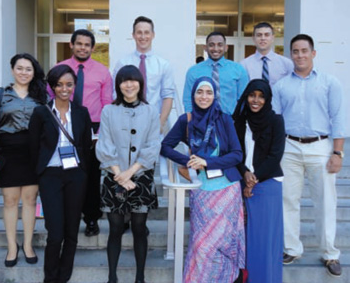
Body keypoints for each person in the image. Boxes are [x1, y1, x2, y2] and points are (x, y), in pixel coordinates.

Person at [272, 34, 346, 277]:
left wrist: (338, 152)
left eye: (304, 51)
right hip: (290, 148)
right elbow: (275, 120)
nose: (300, 55)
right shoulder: (281, 85)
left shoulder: (329, 82)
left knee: (325, 202)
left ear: (313, 53)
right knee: (288, 200)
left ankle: (329, 253)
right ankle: (292, 248)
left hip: (320, 147)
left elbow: (339, 119)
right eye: (295, 51)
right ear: (290, 54)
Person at [161, 76, 245, 282]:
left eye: (208, 92)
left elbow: (236, 154)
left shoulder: (224, 119)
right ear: (193, 95)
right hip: (201, 190)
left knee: (225, 243)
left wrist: (206, 162)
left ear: (214, 95)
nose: (204, 97)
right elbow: (165, 147)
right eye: (200, 92)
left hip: (227, 190)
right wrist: (189, 161)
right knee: (202, 245)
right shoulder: (186, 120)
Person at [96, 65, 160, 283]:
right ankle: (112, 277)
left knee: (139, 227)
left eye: (133, 80)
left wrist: (131, 173)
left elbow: (153, 145)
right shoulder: (108, 111)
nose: (129, 85)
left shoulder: (151, 111)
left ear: (140, 84)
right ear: (118, 85)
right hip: (113, 176)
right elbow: (104, 143)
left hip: (141, 177)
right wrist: (119, 174)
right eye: (124, 80)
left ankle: (139, 277)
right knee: (114, 228)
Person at [29, 64, 92, 283]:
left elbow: (85, 146)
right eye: (59, 84)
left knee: (72, 232)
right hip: (50, 176)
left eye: (68, 84)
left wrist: (84, 172)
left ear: (74, 86)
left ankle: (64, 276)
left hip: (76, 176)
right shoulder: (40, 113)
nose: (64, 89)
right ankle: (50, 277)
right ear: (52, 86)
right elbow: (33, 146)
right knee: (55, 233)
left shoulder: (82, 113)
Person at [57, 29, 113, 237]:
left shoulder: (103, 72)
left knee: (91, 176)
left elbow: (107, 103)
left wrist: (105, 133)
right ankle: (66, 218)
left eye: (87, 44)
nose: (83, 47)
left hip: (93, 127)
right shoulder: (59, 68)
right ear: (71, 45)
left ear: (92, 47)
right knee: (66, 173)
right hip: (65, 124)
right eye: (79, 43)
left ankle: (91, 218)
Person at [0, 53, 48, 267]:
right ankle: (12, 247)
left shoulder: (41, 96)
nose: (24, 72)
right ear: (12, 69)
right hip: (8, 152)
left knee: (30, 200)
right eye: (20, 68)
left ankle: (27, 245)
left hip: (33, 152)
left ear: (33, 72)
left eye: (28, 69)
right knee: (9, 200)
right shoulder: (0, 95)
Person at [233, 79, 285, 283]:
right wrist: (245, 174)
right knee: (244, 242)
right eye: (252, 95)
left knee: (264, 243)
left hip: (268, 184)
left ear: (267, 99)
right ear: (246, 96)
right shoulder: (238, 121)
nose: (256, 100)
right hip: (241, 183)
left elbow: (276, 155)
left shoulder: (276, 121)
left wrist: (253, 180)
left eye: (261, 96)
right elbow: (234, 152)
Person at [113, 16, 176, 133]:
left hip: (153, 121)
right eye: (139, 32)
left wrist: (160, 124)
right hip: (127, 121)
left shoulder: (163, 65)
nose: (143, 37)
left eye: (146, 32)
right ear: (133, 35)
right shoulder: (122, 63)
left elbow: (168, 96)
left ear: (153, 35)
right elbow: (115, 93)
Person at [182, 32, 248, 115]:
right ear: (205, 48)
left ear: (226, 47)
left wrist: (238, 121)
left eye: (220, 45)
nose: (215, 49)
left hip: (230, 121)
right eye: (211, 45)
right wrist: (190, 120)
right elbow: (188, 99)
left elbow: (243, 99)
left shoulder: (238, 70)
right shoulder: (193, 71)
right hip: (201, 122)